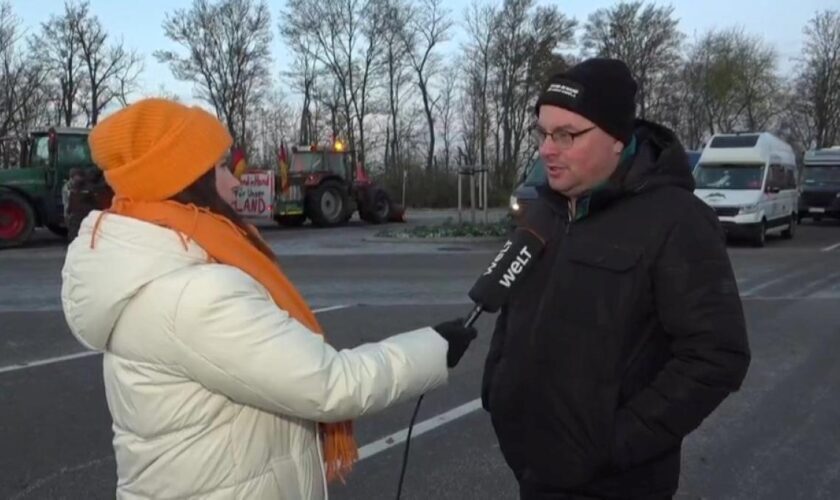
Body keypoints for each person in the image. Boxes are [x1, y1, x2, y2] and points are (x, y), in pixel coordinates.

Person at [60, 98, 477, 499]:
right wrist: (435, 349)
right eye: (221, 166)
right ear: (184, 180)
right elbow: (328, 385)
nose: (236, 180)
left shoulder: (151, 265)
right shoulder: (192, 292)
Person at [481, 58, 751, 499]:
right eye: (544, 133)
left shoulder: (676, 220)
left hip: (616, 483)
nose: (547, 149)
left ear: (616, 140)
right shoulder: (544, 211)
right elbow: (514, 312)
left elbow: (717, 355)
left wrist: (615, 445)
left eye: (566, 135)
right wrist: (497, 387)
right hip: (533, 468)